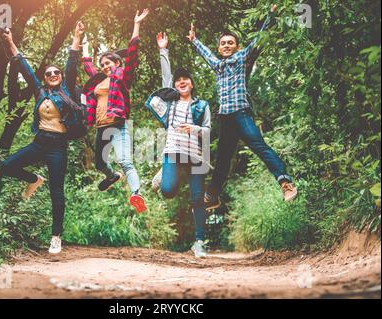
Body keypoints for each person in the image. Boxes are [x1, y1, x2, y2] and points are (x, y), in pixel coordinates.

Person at [187, 4, 298, 210]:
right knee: (222, 161)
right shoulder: (218, 65)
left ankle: (286, 183)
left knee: (259, 146)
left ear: (237, 47)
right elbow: (206, 54)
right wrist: (194, 40)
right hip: (226, 119)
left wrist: (270, 15)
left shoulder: (242, 58)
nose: (227, 45)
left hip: (242, 115)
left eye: (230, 43)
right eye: (223, 43)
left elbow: (259, 40)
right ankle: (212, 196)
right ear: (219, 48)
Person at [0, 22, 85, 254]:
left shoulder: (66, 91)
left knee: (57, 192)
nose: (54, 74)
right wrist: (9, 41)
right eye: (49, 73)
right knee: (7, 166)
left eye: (56, 72)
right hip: (39, 144)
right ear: (45, 78)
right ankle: (34, 178)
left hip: (58, 147)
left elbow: (72, 62)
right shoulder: (40, 92)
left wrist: (77, 36)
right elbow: (24, 67)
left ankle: (56, 236)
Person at [144, 32, 211, 258]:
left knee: (196, 197)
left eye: (186, 79)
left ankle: (200, 242)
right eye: (178, 80)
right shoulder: (171, 102)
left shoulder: (202, 106)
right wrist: (163, 50)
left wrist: (196, 129)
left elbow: (209, 131)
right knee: (168, 190)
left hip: (196, 156)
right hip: (173, 151)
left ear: (192, 84)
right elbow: (166, 79)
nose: (181, 81)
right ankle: (164, 173)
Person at [80, 9, 150, 213]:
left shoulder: (122, 77)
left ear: (117, 63)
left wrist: (136, 25)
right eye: (102, 65)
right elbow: (87, 66)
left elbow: (133, 54)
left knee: (125, 161)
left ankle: (136, 194)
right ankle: (112, 176)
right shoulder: (99, 80)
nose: (104, 67)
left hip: (118, 125)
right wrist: (84, 45)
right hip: (102, 127)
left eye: (108, 63)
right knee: (100, 164)